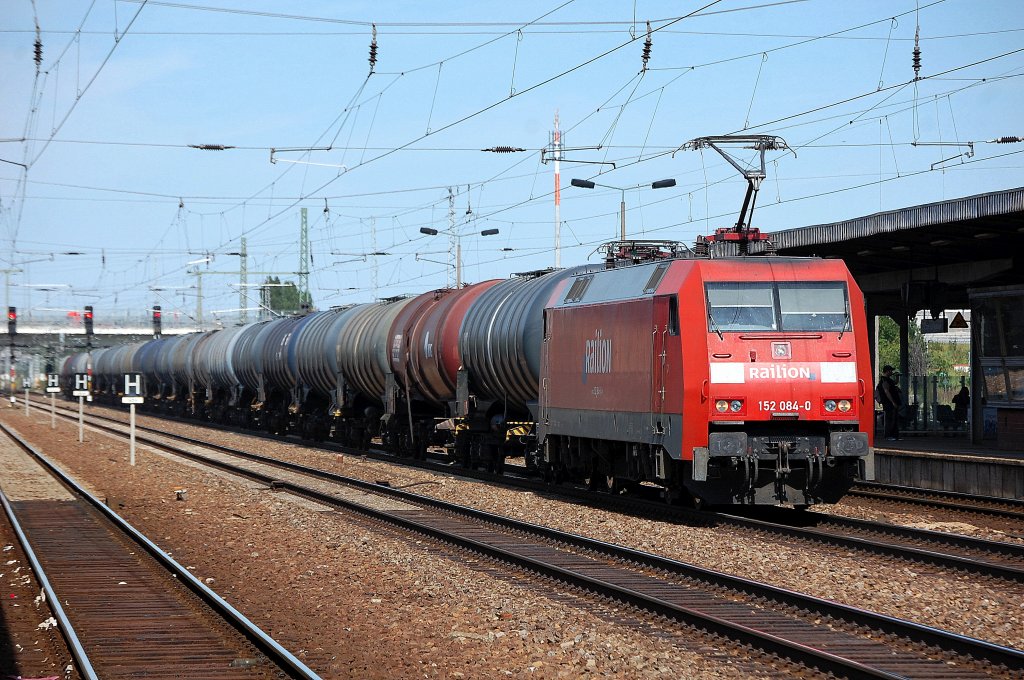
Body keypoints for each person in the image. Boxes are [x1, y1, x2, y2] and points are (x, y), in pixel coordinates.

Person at [877, 365, 902, 441]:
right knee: (889, 419)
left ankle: (895, 435)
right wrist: (893, 402)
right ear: (887, 371)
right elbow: (886, 391)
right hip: (889, 403)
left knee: (894, 419)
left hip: (892, 403)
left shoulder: (889, 380)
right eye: (891, 371)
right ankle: (888, 435)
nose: (892, 372)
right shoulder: (884, 380)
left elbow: (895, 383)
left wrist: (898, 377)